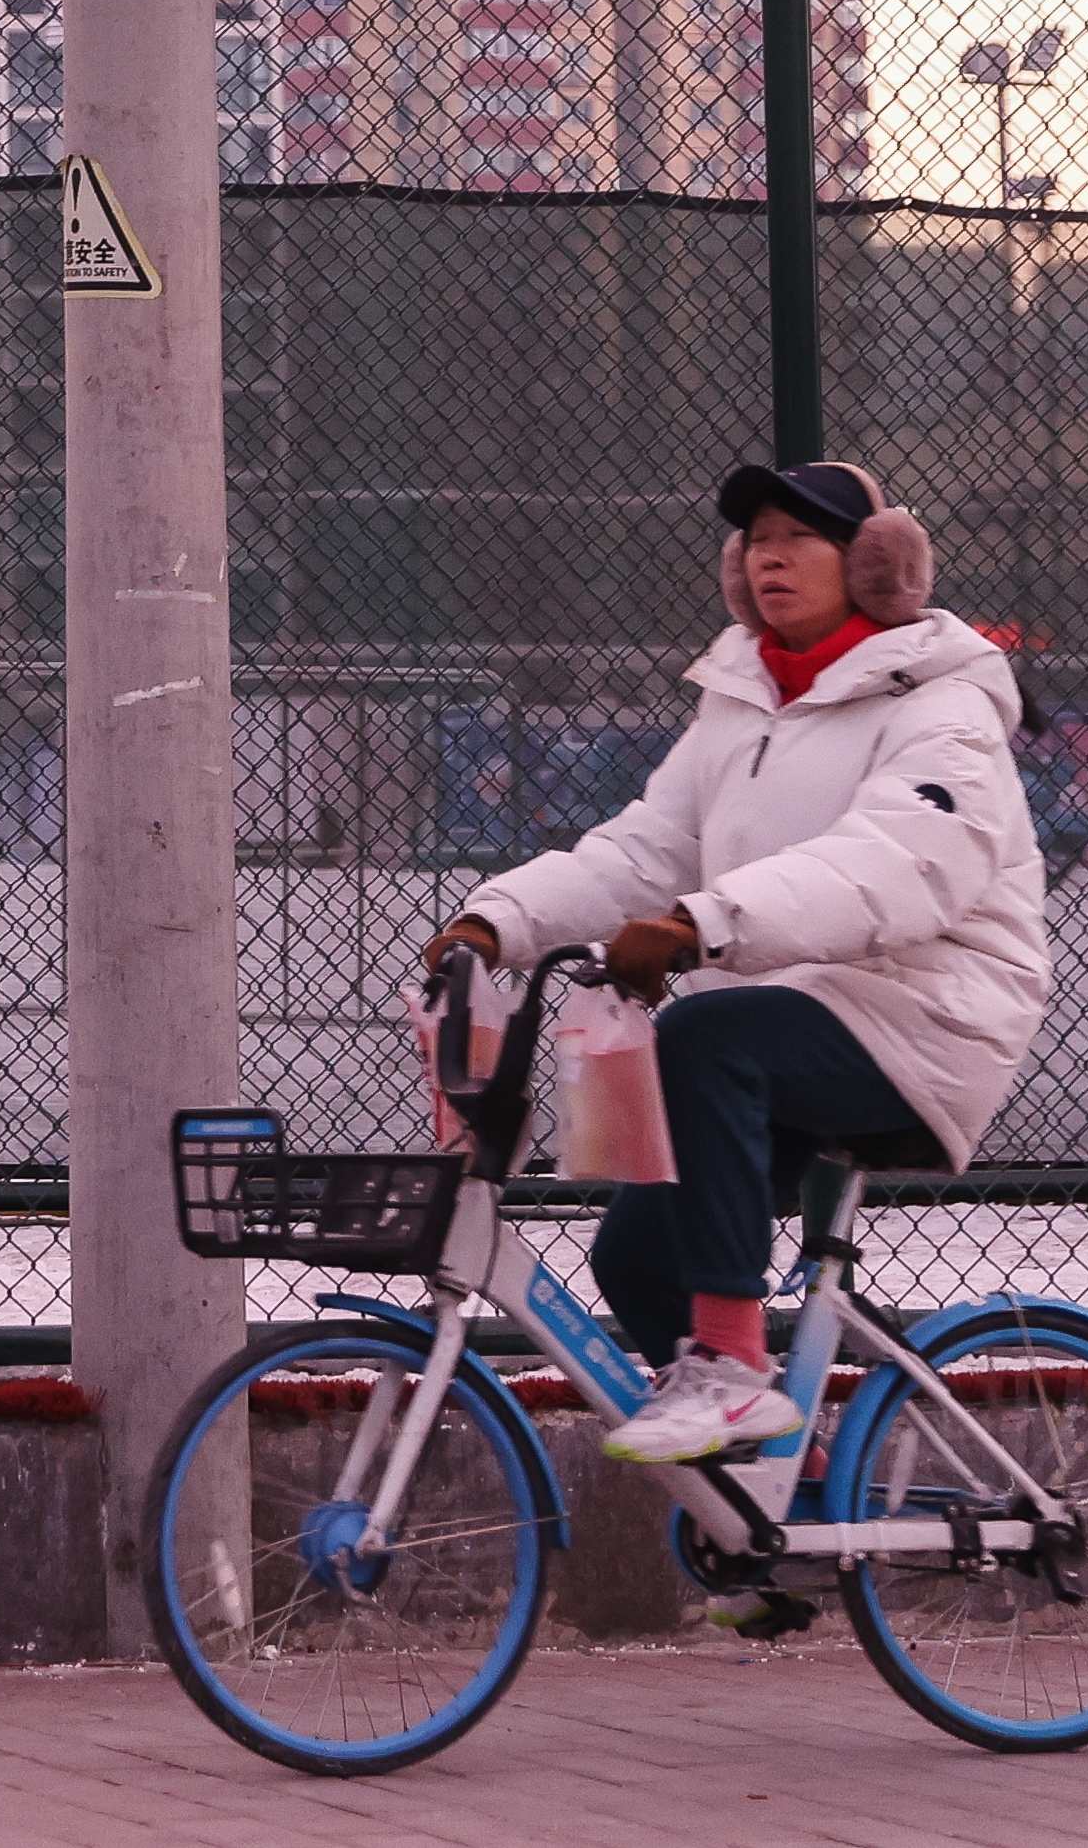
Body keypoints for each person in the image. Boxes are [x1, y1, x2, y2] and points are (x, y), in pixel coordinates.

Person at [426, 459, 1050, 1468]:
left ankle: (731, 1370)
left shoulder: (941, 709)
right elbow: (643, 850)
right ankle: (772, 1504)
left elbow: (893, 864)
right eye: (755, 537)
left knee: (702, 1036)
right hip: (785, 1014)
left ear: (876, 563)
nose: (770, 555)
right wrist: (496, 922)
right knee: (633, 1254)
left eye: (800, 536)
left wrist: (700, 923)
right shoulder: (740, 702)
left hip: (929, 1016)